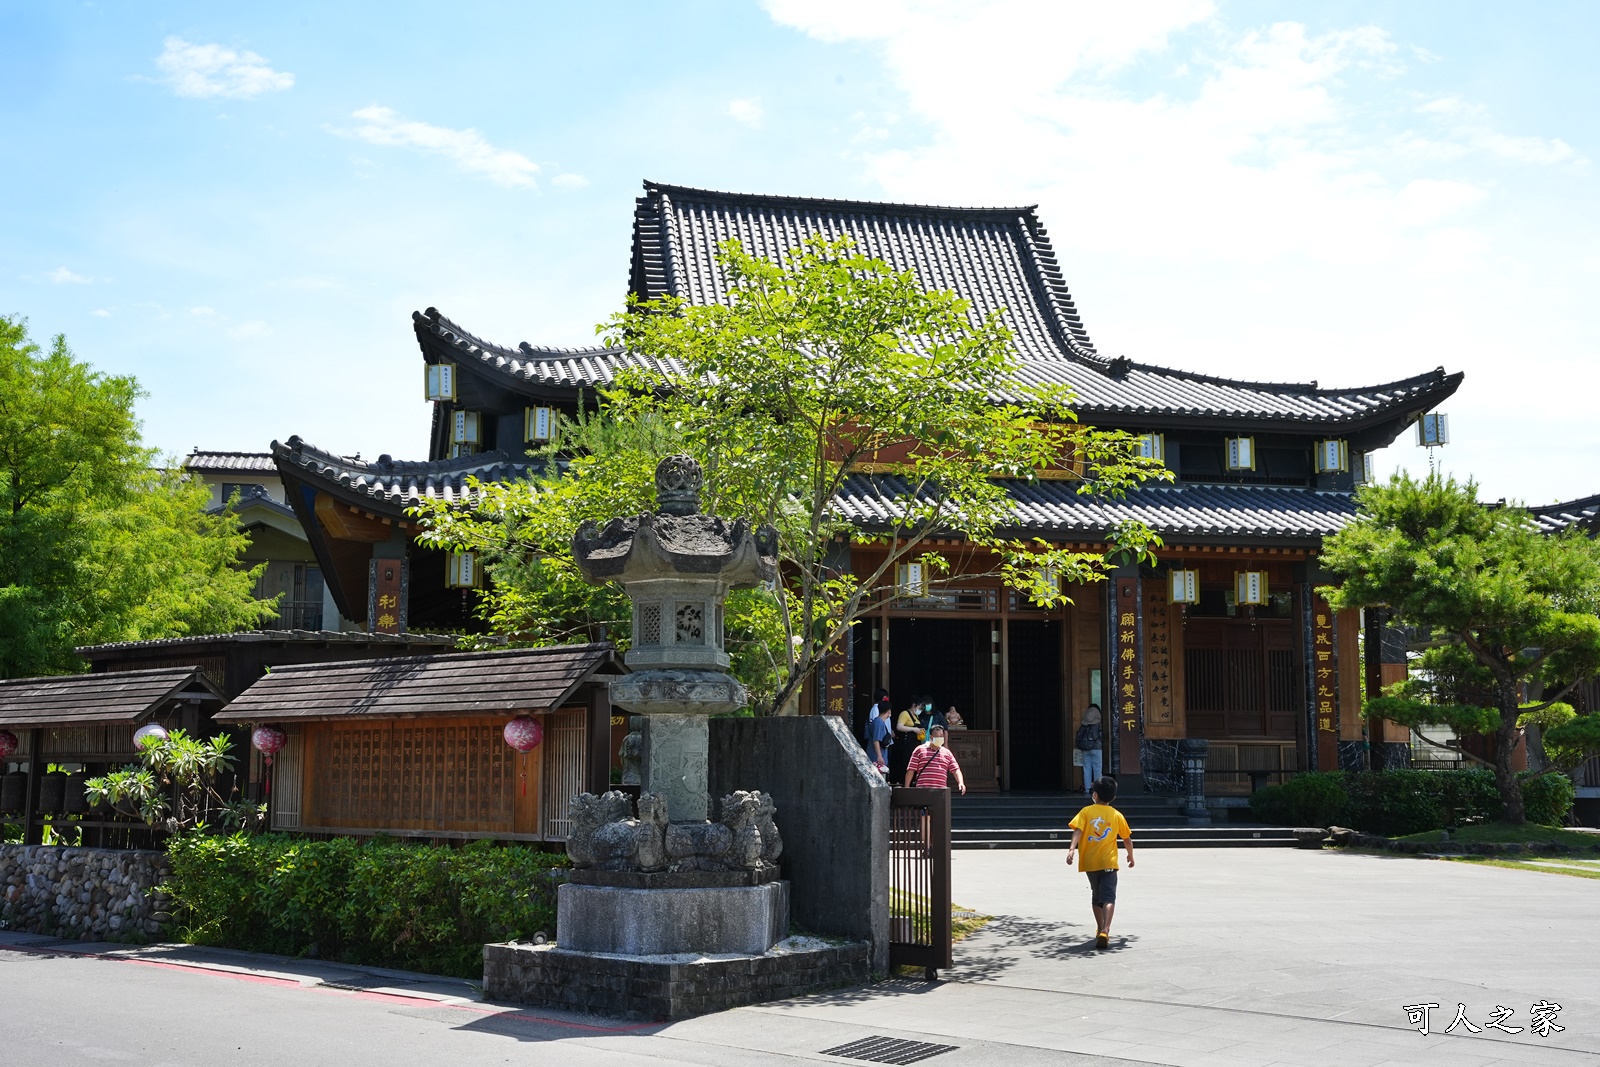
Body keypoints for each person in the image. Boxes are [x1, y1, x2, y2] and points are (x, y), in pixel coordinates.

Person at [1065, 776, 1134, 950]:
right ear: (1114, 797)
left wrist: (1072, 849)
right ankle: (1106, 929)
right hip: (1109, 862)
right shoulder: (1116, 815)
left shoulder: (1086, 812)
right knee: (1109, 897)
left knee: (1096, 897)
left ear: (1094, 794)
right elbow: (1127, 839)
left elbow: (1078, 831)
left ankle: (1099, 927)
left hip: (1090, 863)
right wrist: (1130, 856)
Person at [904, 725, 966, 795]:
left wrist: (961, 782)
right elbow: (911, 769)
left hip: (941, 792)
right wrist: (906, 788)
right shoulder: (919, 750)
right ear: (931, 737)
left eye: (941, 736)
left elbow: (955, 769)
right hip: (922, 790)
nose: (939, 738)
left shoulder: (947, 752)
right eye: (937, 736)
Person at [1073, 705, 1104, 795]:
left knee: (1086, 769)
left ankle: (1087, 789)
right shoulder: (1098, 725)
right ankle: (1098, 790)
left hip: (1085, 749)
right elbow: (1101, 736)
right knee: (1097, 770)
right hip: (1097, 749)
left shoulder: (1084, 725)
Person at [864, 699, 895, 775]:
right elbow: (876, 740)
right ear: (888, 711)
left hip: (880, 757)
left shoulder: (880, 722)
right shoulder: (878, 723)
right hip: (876, 758)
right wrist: (879, 756)